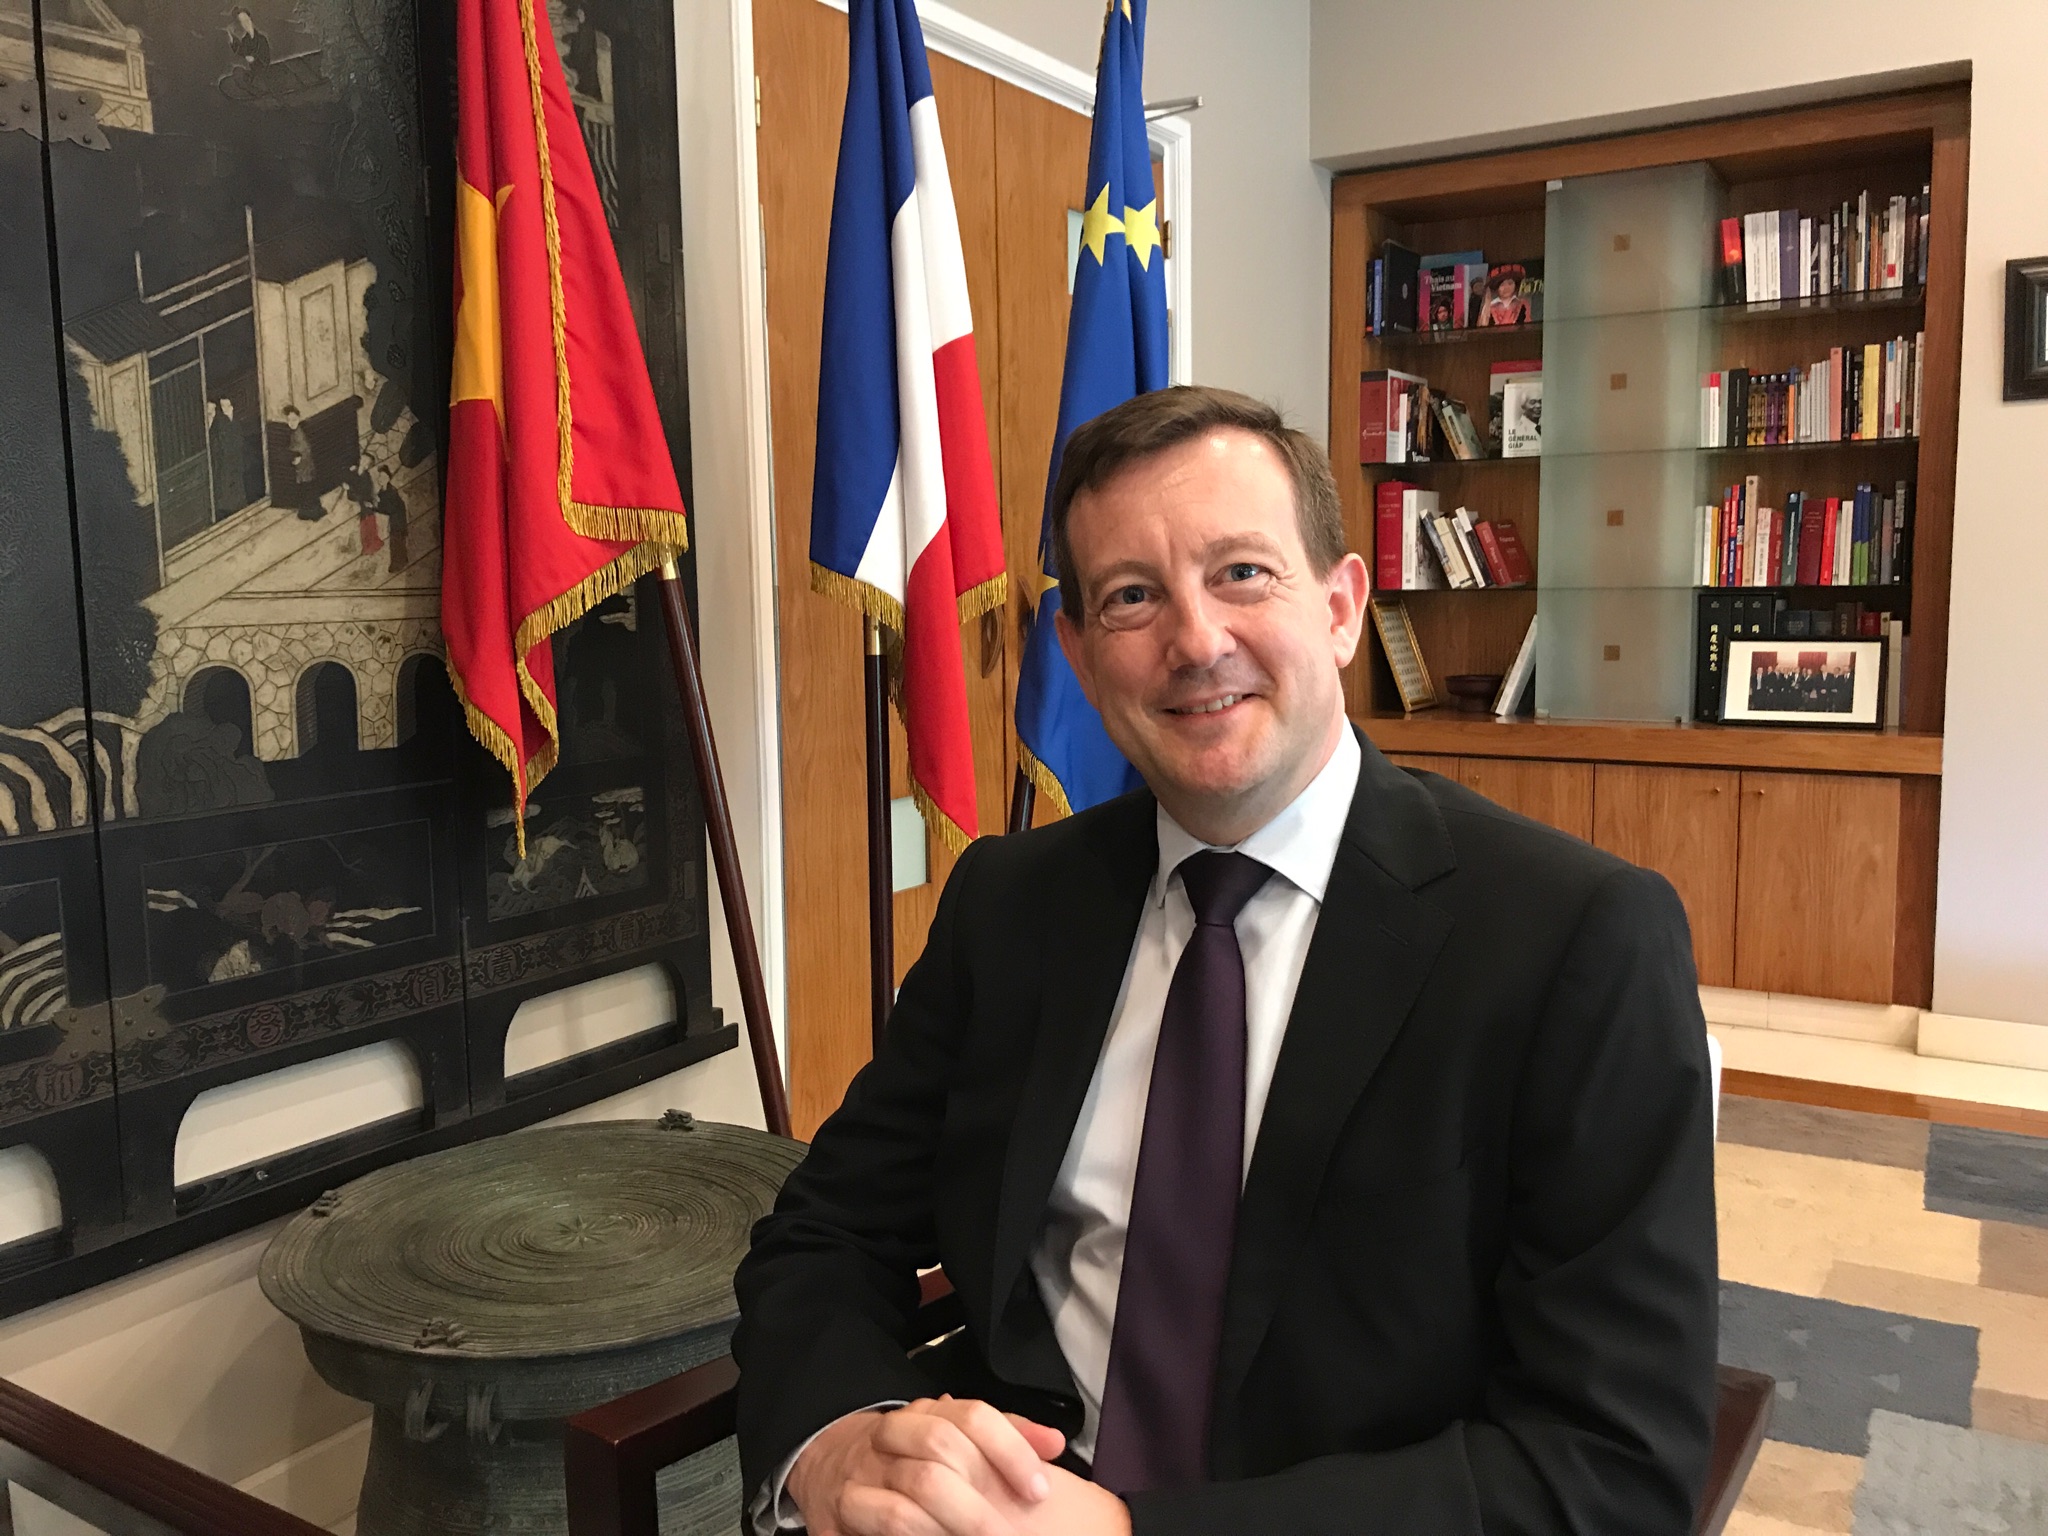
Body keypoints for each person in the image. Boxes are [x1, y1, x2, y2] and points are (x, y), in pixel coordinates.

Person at [734, 385, 1719, 1536]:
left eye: (1241, 573)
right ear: (1078, 657)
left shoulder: (1574, 941)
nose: (1196, 643)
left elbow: (1609, 1464)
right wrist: (835, 1440)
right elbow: (826, 1230)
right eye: (1130, 597)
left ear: (1340, 608)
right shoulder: (1009, 906)